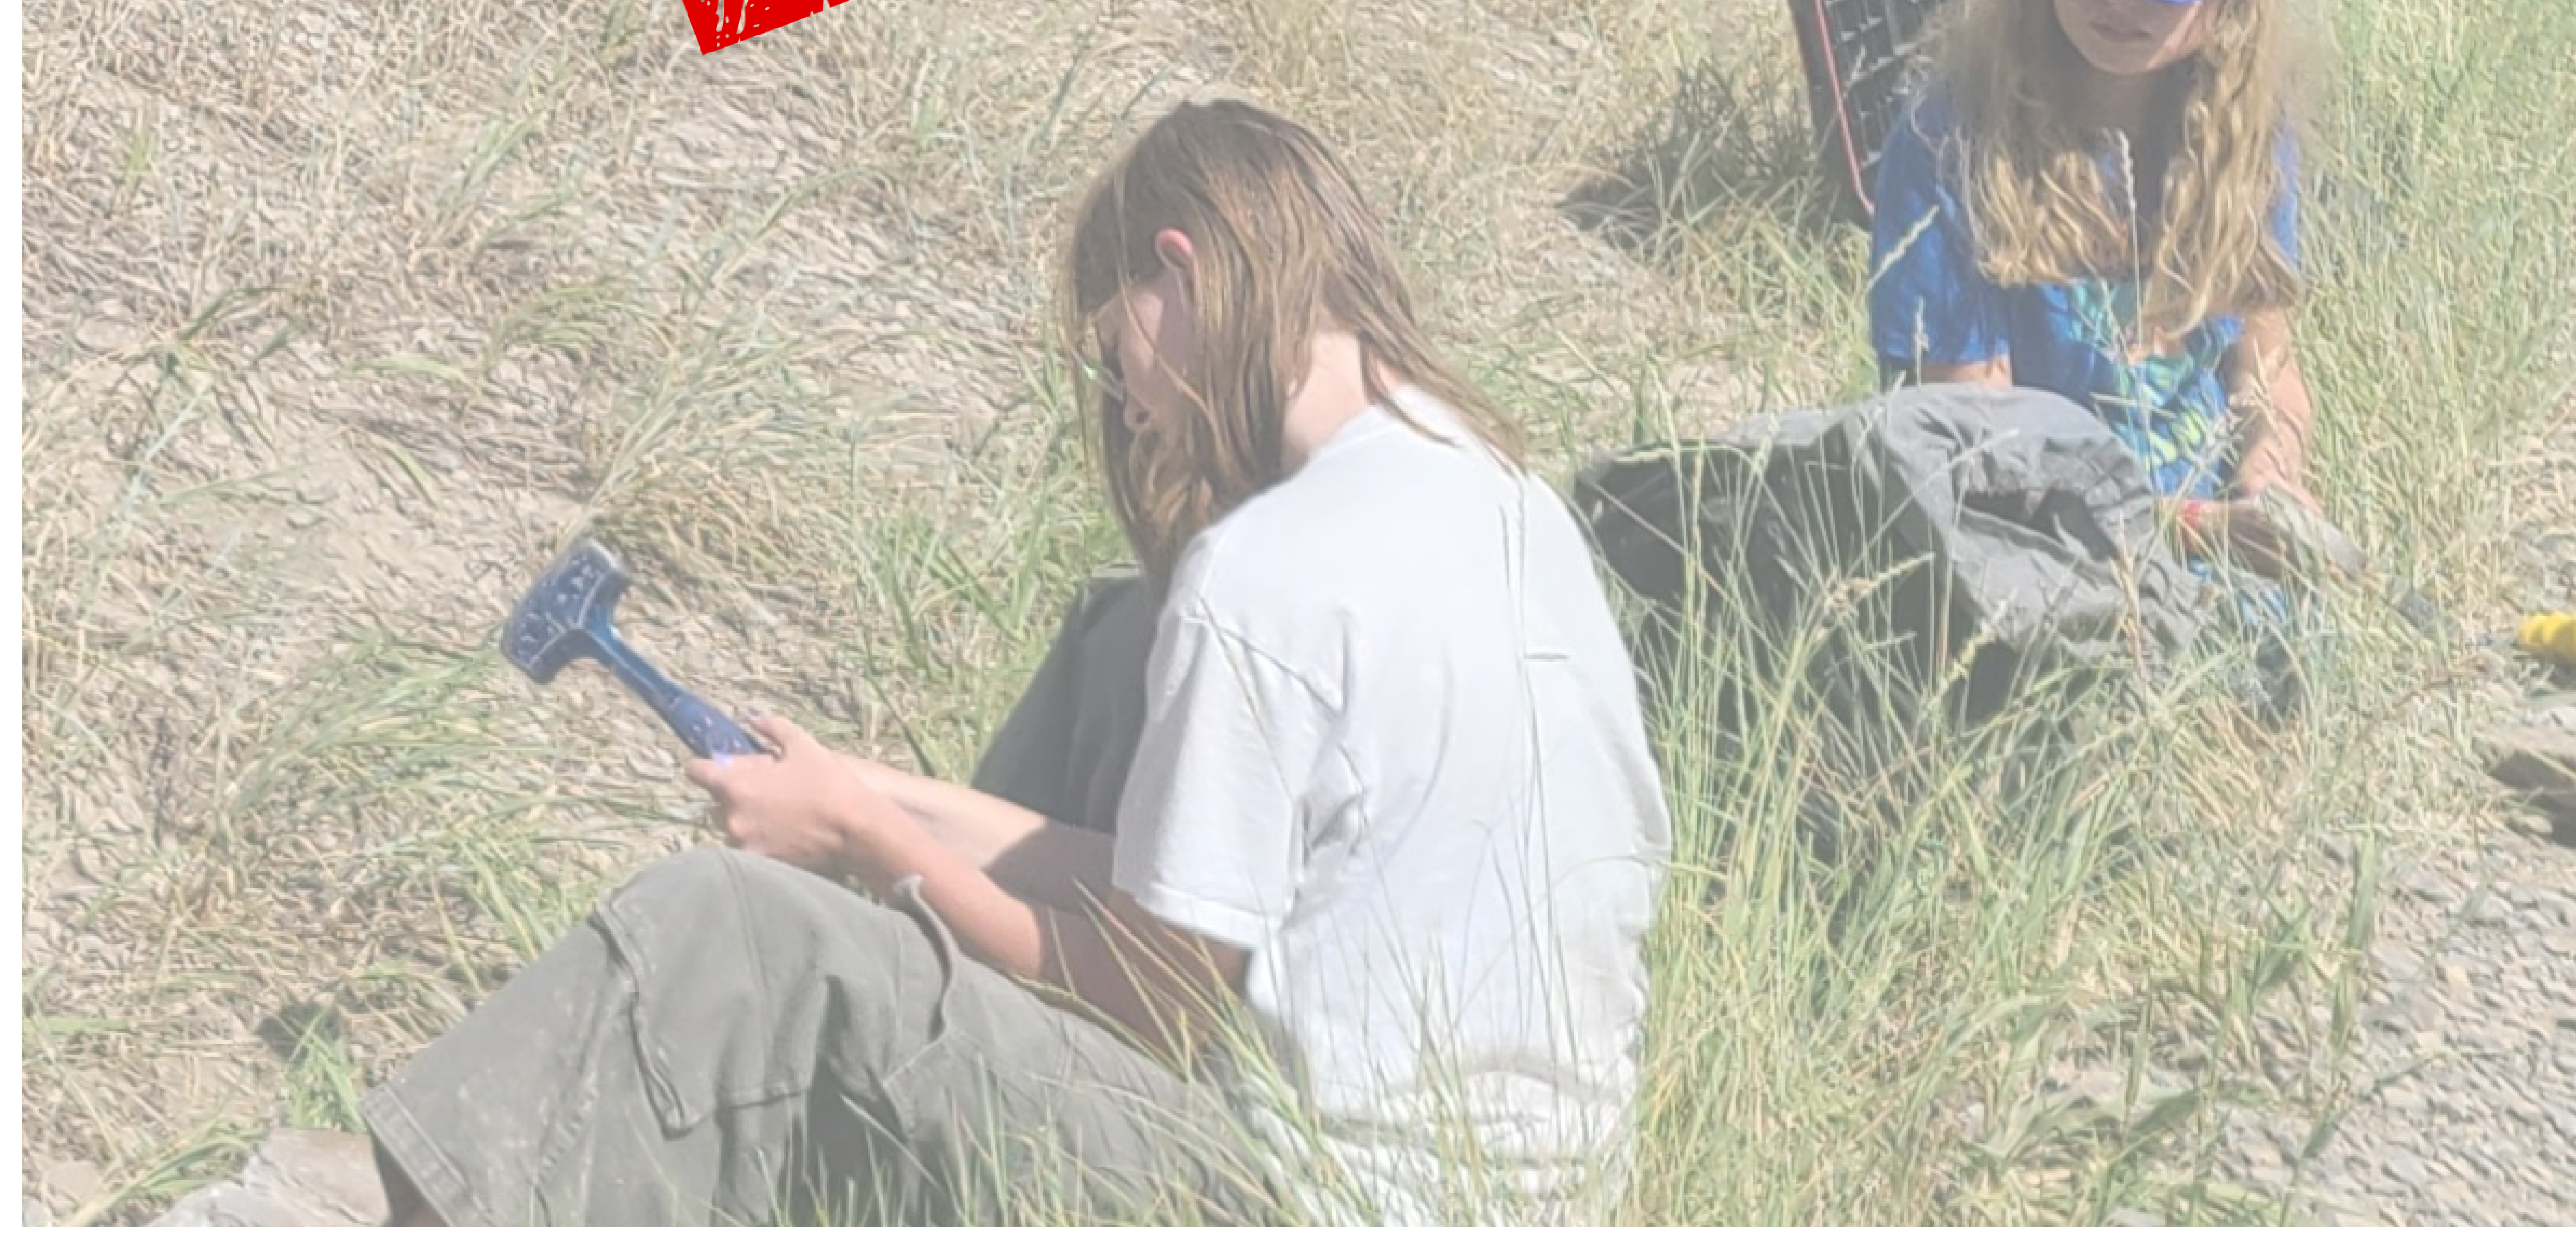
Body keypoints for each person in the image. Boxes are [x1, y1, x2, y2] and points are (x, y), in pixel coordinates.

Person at [357, 100, 1669, 1227]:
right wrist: (873, 793)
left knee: (724, 930)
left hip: (1293, 1204)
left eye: (1117, 355)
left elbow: (1150, 1008)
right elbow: (1198, 910)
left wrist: (865, 843)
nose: (1131, 409)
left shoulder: (1269, 572)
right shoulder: (1511, 508)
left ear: (1178, 270)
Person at [1866, 0, 2331, 573]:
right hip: (2027, 551)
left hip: (2216, 533)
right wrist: (2189, 527)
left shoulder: (2245, 135)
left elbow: (2266, 365)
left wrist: (2270, 471)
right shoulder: (1949, 143)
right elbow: (1975, 454)